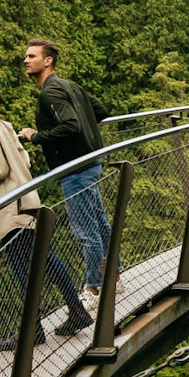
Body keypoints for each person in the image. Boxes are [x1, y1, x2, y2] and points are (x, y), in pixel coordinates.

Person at [0, 73, 93, 342]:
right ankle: (72, 311)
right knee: (42, 260)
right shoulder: (1, 124)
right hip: (22, 202)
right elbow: (22, 161)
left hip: (8, 211)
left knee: (25, 269)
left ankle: (35, 331)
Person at [16, 38, 118, 310]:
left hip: (76, 169)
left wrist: (36, 136)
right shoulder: (70, 85)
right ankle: (114, 272)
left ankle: (94, 287)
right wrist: (84, 132)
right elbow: (100, 111)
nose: (26, 60)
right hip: (91, 162)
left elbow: (71, 125)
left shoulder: (50, 92)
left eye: (31, 56)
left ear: (47, 60)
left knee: (86, 231)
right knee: (99, 221)